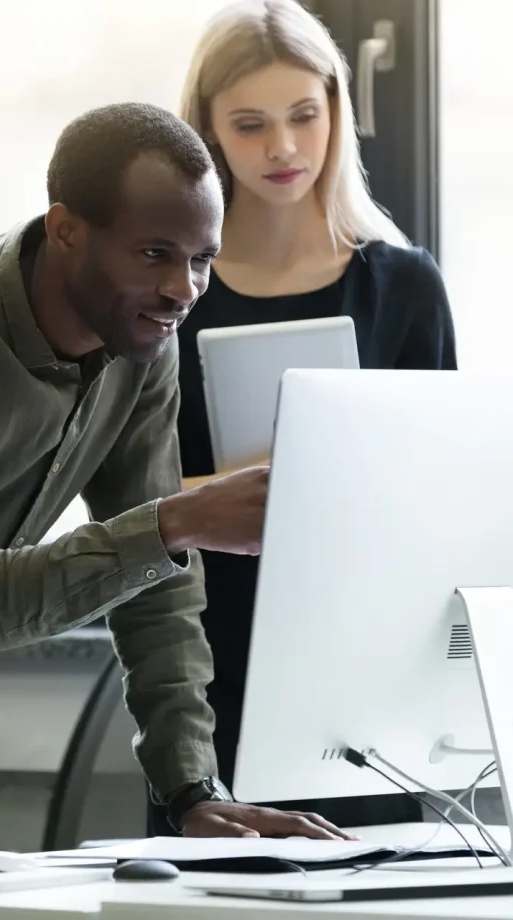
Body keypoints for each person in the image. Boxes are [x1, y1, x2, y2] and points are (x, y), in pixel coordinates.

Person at [0, 102, 356, 862]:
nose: (184, 290)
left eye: (202, 259)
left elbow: (159, 587)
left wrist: (192, 791)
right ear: (65, 229)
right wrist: (175, 523)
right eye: (155, 253)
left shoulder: (144, 345)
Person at [144, 0, 457, 836]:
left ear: (336, 114)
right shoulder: (171, 294)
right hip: (204, 651)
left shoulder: (403, 286)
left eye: (304, 117)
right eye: (249, 125)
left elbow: (442, 495)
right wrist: (229, 499)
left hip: (358, 661)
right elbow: (129, 498)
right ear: (207, 132)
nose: (283, 148)